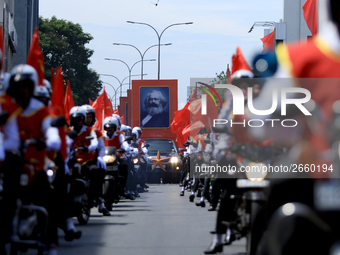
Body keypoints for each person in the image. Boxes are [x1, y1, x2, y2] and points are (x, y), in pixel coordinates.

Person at [6, 64, 62, 255]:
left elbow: (50, 128)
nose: (21, 89)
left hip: (35, 165)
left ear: (31, 87)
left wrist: (51, 139)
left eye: (25, 86)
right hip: (10, 163)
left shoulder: (40, 110)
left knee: (48, 198)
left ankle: (51, 243)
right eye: (18, 86)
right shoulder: (7, 106)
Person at [68, 106, 111, 216]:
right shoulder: (68, 131)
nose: (78, 121)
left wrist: (93, 151)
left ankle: (95, 198)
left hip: (88, 160)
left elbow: (97, 144)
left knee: (96, 171)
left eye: (80, 119)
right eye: (75, 119)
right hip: (72, 160)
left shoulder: (92, 131)